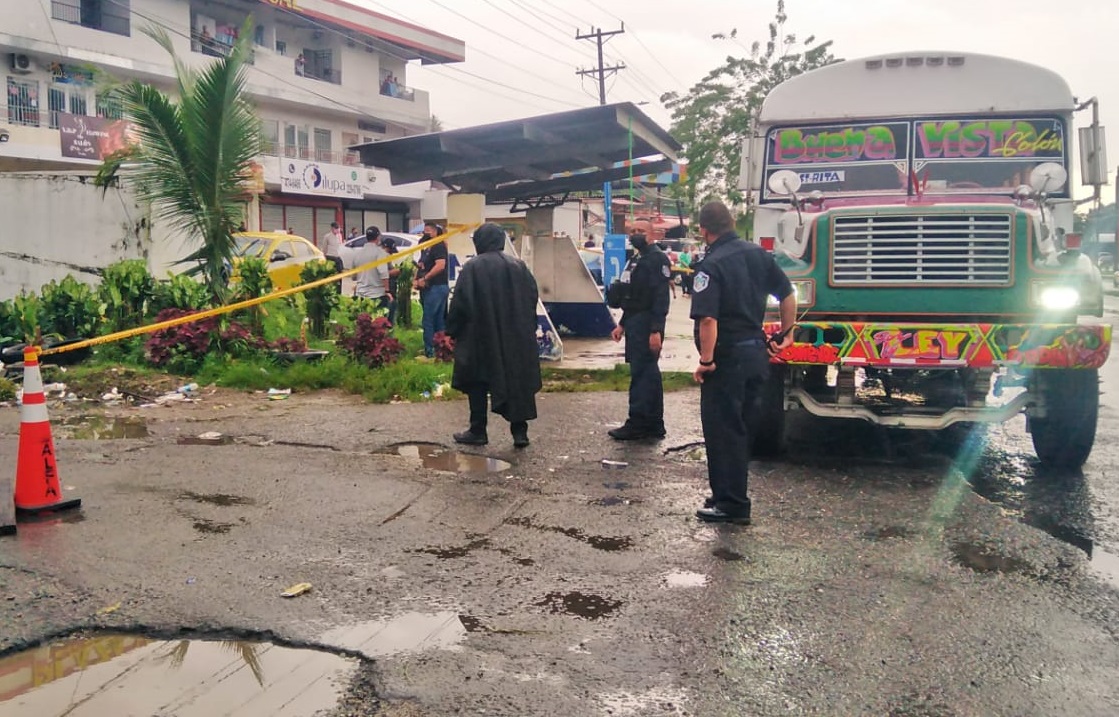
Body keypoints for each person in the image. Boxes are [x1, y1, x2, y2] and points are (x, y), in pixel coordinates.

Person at [690, 201, 796, 525]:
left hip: (728, 358)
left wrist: (706, 361)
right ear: (733, 222)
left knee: (723, 431)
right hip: (756, 355)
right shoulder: (759, 255)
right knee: (741, 430)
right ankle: (725, 492)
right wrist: (788, 333)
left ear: (703, 230)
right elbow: (788, 293)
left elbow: (708, 318)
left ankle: (733, 504)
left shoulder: (711, 265)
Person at [446, 223, 542, 448]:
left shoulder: (472, 267)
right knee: (516, 381)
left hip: (479, 336)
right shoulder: (519, 266)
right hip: (515, 335)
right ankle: (520, 433)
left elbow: (460, 302)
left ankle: (478, 430)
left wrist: (452, 330)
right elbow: (531, 298)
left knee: (477, 381)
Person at [608, 231, 672, 440]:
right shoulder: (637, 258)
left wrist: (655, 330)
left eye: (641, 231)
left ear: (653, 234)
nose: (635, 235)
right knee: (643, 372)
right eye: (632, 230)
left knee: (644, 374)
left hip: (647, 323)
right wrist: (623, 324)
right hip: (635, 320)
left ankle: (640, 422)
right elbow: (634, 295)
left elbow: (660, 298)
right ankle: (651, 423)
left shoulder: (657, 259)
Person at [414, 221, 449, 358]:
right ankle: (440, 349)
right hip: (428, 287)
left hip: (437, 286)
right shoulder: (426, 248)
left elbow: (440, 265)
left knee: (429, 319)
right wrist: (417, 279)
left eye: (429, 230)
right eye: (425, 230)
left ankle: (430, 351)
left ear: (435, 232)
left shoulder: (438, 246)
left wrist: (425, 278)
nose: (426, 233)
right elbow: (422, 264)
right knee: (437, 319)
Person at [346, 227, 392, 312]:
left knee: (363, 322)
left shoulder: (357, 254)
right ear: (378, 237)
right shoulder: (380, 253)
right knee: (378, 322)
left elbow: (353, 277)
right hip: (377, 294)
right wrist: (387, 291)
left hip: (361, 294)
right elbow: (383, 272)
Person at [380, 234, 402, 325]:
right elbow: (382, 274)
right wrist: (397, 271)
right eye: (389, 250)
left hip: (386, 287)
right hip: (385, 288)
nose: (390, 253)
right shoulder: (383, 256)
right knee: (388, 310)